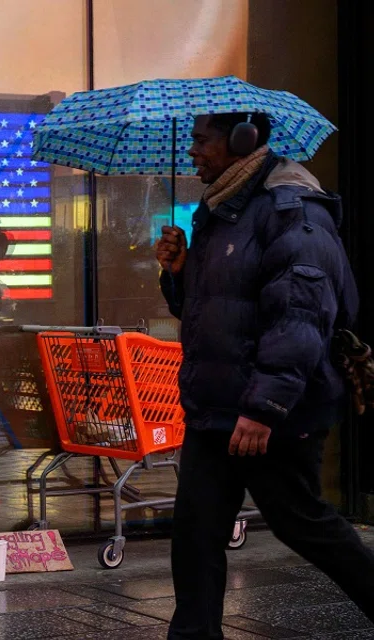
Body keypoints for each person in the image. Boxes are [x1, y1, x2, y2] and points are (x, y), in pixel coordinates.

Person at [155, 112, 374, 638]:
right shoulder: (223, 211)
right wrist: (178, 273)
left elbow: (300, 317)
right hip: (217, 409)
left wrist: (263, 408)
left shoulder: (292, 211)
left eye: (202, 141)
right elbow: (211, 312)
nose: (193, 152)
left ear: (243, 139)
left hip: (273, 412)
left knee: (304, 524)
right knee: (196, 531)